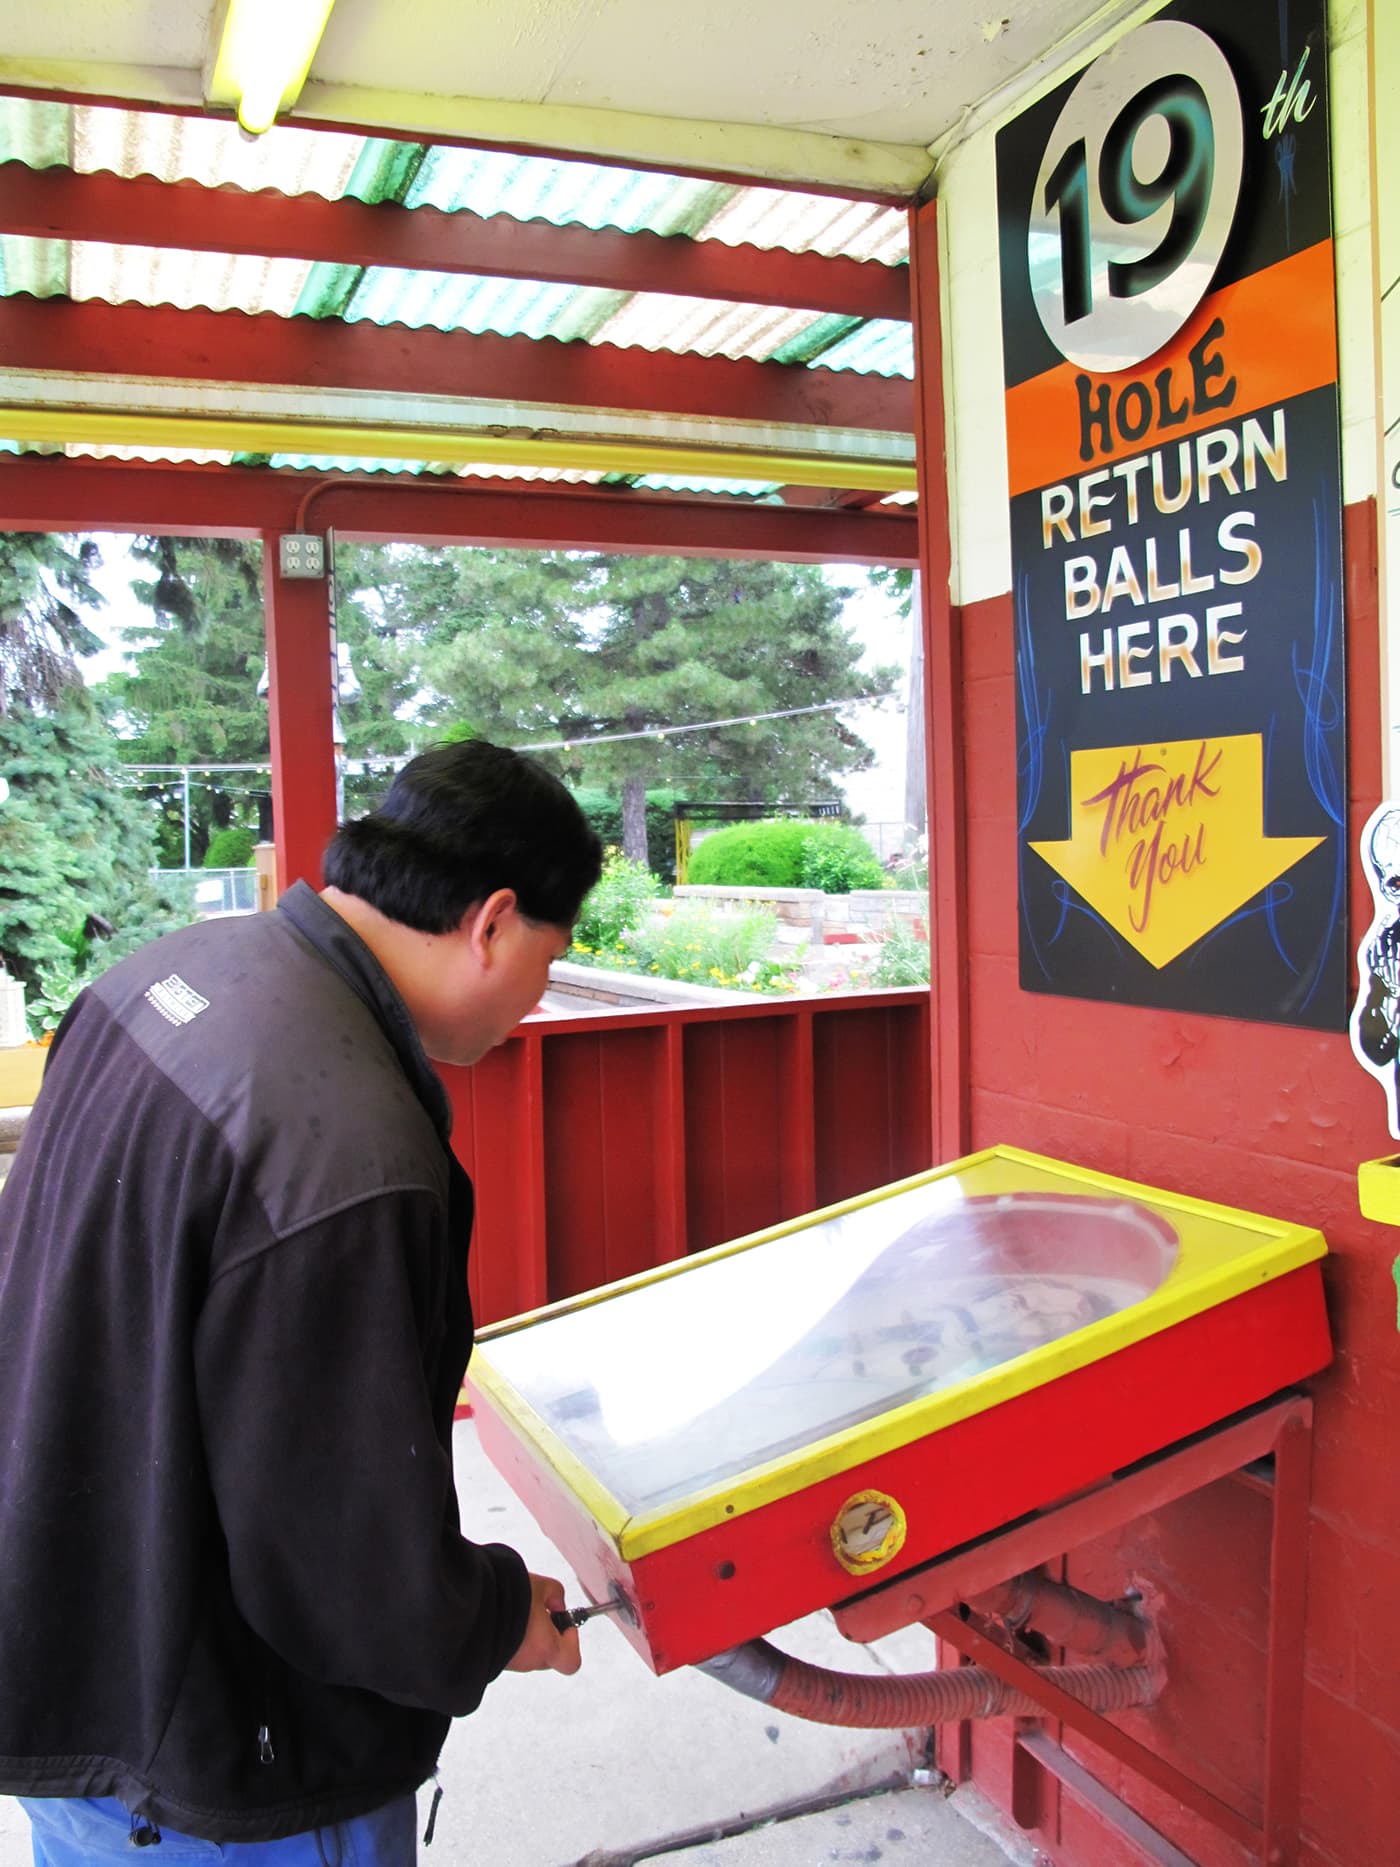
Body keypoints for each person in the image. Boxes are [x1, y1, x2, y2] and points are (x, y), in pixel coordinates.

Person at [0, 738, 604, 1864]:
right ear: (493, 921)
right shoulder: (351, 1149)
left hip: (76, 1669)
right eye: (550, 959)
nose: (534, 1000)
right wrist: (489, 1615)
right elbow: (342, 1565)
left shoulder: (165, 976)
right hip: (224, 1765)